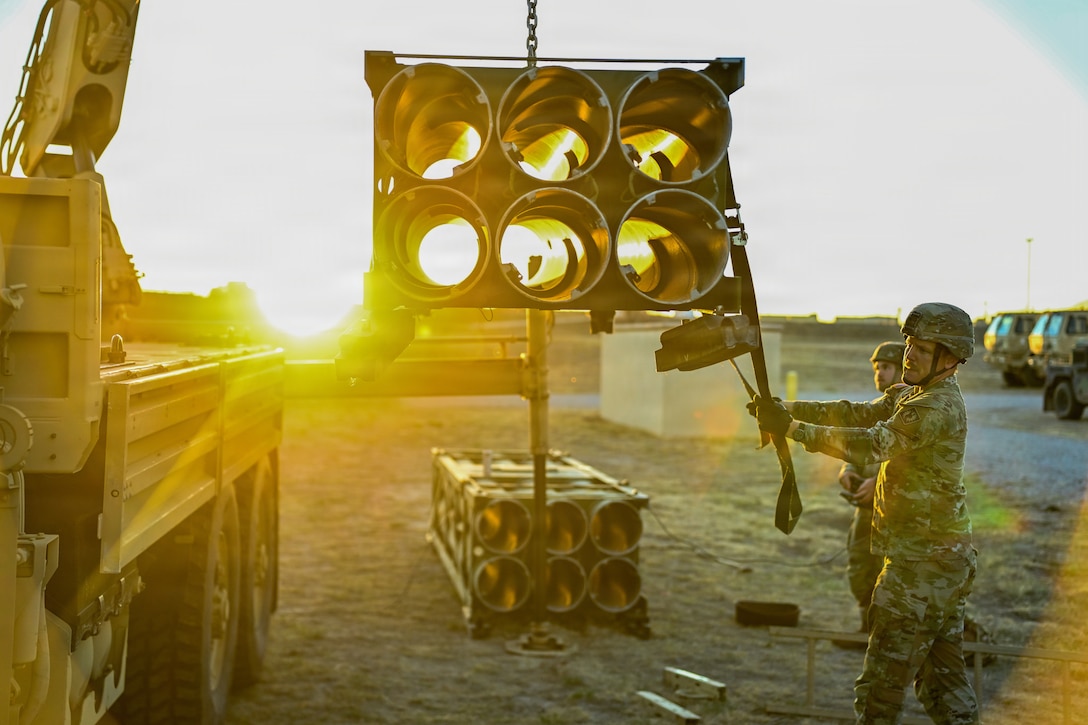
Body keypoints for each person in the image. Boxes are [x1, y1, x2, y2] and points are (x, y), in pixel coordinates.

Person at [751, 303, 979, 724]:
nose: (909, 355)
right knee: (943, 686)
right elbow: (856, 413)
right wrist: (787, 407)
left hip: (921, 568)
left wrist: (792, 429)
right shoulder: (914, 393)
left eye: (922, 349)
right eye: (909, 344)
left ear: (949, 359)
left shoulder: (935, 407)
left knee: (880, 690)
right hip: (938, 563)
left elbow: (869, 444)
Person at [836, 341, 906, 646]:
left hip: (896, 509)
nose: (880, 373)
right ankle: (867, 627)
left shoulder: (911, 412)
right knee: (860, 565)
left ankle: (886, 633)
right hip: (865, 509)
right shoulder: (875, 409)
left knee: (887, 570)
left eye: (887, 367)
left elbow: (910, 460)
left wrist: (878, 482)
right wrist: (848, 471)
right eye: (876, 368)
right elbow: (860, 445)